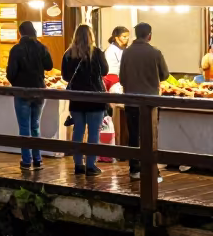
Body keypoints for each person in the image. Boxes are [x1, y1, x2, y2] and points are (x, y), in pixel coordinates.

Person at [120, 21, 170, 181]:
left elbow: (122, 78)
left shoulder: (126, 53)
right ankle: (152, 170)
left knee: (134, 136)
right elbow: (165, 75)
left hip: (131, 101)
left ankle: (134, 169)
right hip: (150, 102)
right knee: (150, 136)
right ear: (149, 36)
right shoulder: (155, 52)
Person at [61, 24, 110, 176]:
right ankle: (90, 165)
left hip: (77, 98)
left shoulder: (68, 54)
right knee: (93, 132)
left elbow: (65, 77)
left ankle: (78, 164)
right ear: (91, 36)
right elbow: (105, 71)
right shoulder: (97, 53)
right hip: (95, 97)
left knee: (78, 130)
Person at [5, 20, 54, 170]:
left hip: (22, 91)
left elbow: (11, 73)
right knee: (35, 126)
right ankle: (37, 159)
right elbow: (49, 66)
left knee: (24, 127)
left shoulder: (16, 49)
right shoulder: (41, 47)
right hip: (39, 90)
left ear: (20, 33)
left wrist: (16, 83)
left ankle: (26, 161)